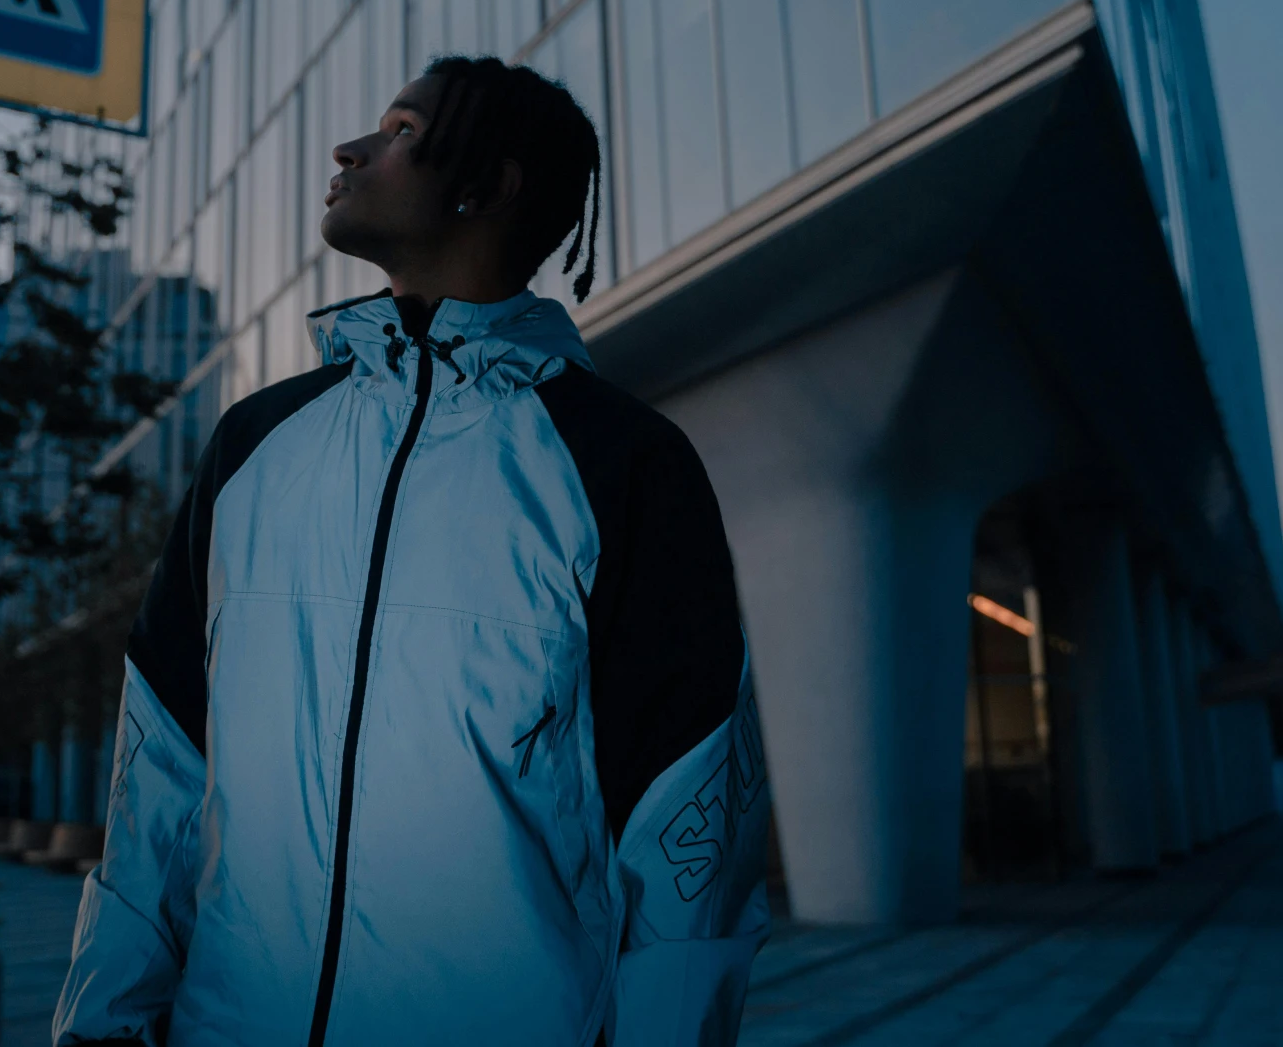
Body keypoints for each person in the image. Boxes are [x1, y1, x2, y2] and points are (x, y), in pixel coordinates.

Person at [53, 57, 768, 1046]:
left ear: (489, 183)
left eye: (397, 128)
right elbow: (162, 776)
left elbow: (689, 831)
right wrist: (99, 1025)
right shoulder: (255, 446)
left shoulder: (622, 463)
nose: (350, 149)